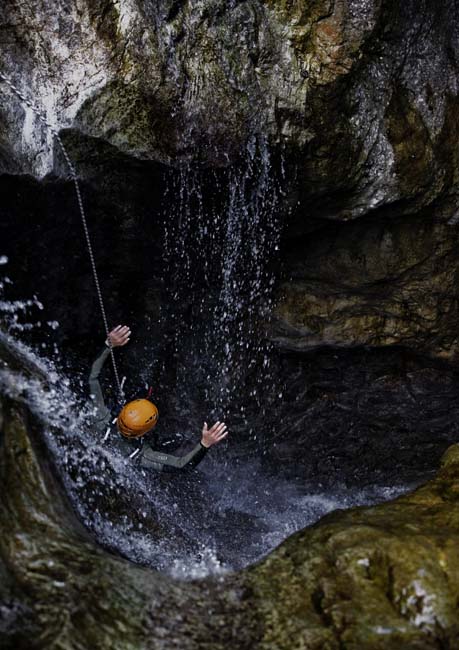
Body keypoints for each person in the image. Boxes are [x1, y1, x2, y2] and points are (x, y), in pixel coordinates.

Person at [89, 325, 228, 471]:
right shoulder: (143, 456)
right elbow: (182, 465)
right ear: (145, 431)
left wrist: (108, 344)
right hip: (148, 444)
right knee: (174, 441)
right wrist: (205, 443)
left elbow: (92, 379)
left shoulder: (100, 416)